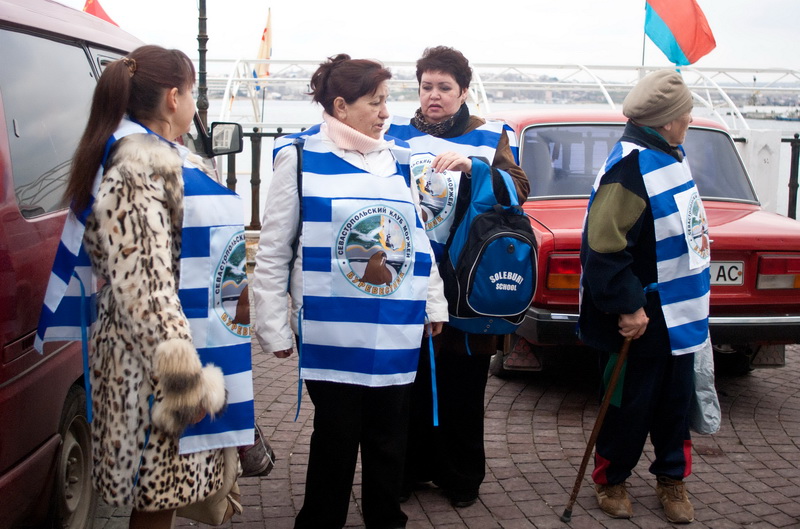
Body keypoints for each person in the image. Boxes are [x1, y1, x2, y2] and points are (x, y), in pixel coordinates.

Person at [37, 45, 254, 528]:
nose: (195, 105)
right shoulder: (137, 169)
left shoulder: (152, 159)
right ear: (173, 98)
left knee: (159, 499)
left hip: (156, 355)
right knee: (154, 500)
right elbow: (146, 291)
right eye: (194, 93)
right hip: (153, 367)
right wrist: (185, 383)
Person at [252, 54, 448, 529]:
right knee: (337, 435)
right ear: (340, 106)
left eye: (387, 102)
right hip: (331, 332)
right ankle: (321, 520)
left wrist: (433, 301)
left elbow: (417, 239)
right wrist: (273, 327)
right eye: (375, 102)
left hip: (397, 331)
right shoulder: (298, 158)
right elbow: (274, 251)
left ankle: (386, 518)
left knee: (389, 435)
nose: (386, 113)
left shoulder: (399, 161)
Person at [386, 46, 529, 508]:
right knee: (406, 383)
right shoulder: (394, 135)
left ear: (463, 91)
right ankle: (408, 472)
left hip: (465, 280)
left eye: (444, 88)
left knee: (463, 385)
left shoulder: (489, 137)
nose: (434, 96)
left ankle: (461, 477)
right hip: (408, 276)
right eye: (427, 86)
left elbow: (520, 192)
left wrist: (476, 167)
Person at [578, 69, 710, 524]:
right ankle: (612, 479)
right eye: (685, 112)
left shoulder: (669, 153)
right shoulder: (630, 168)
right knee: (628, 405)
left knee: (675, 405)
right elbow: (603, 247)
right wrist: (629, 306)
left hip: (680, 312)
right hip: (642, 317)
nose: (690, 118)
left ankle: (672, 478)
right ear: (667, 120)